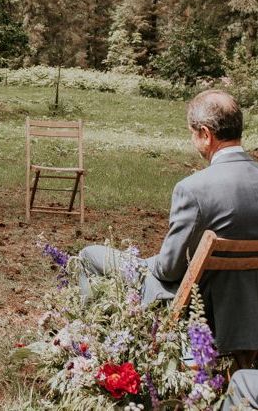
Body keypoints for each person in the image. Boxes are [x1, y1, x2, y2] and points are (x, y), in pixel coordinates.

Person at [79, 89, 258, 353]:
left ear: (206, 135)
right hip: (249, 308)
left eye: (192, 133)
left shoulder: (194, 189)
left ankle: (90, 348)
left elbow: (169, 270)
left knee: (89, 256)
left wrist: (147, 263)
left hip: (203, 309)